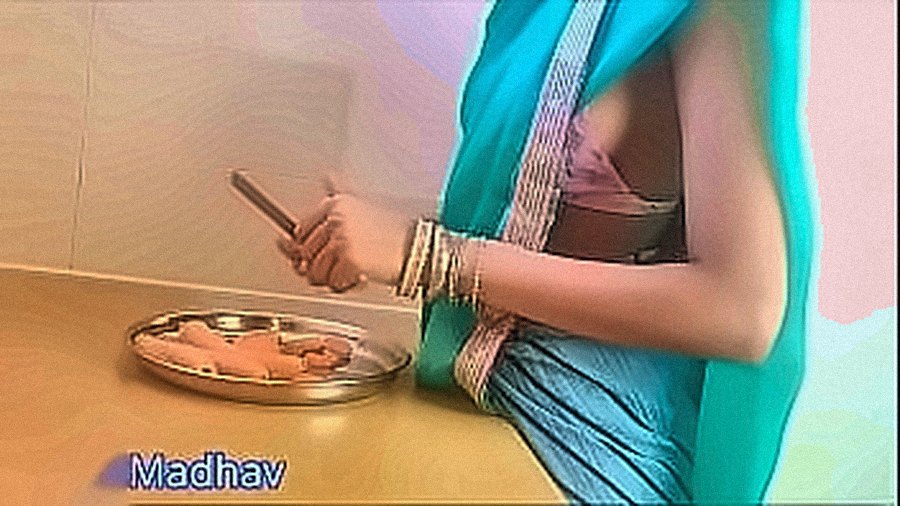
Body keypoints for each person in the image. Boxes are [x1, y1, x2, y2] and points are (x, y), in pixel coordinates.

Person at [278, 1, 813, 503]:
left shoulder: (713, 11)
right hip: (465, 416)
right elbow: (526, 224)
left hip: (591, 456)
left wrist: (432, 257)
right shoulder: (530, 10)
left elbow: (743, 311)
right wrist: (379, 241)